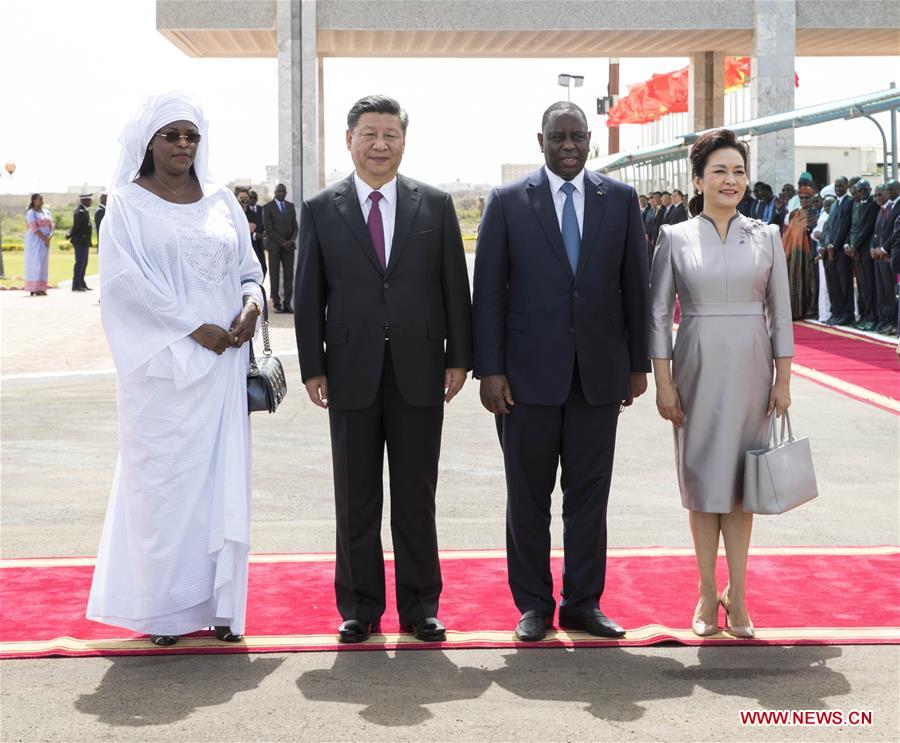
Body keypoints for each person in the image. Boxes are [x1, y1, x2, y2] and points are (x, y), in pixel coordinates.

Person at [86, 91, 264, 647]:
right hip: (161, 376)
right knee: (161, 490)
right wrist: (193, 326)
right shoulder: (127, 205)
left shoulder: (221, 201)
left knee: (220, 485)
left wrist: (252, 306)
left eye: (191, 136)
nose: (184, 145)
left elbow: (248, 268)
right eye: (172, 135)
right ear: (149, 142)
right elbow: (124, 286)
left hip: (223, 369)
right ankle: (163, 612)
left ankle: (220, 608)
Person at [295, 94, 472, 644]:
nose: (379, 144)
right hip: (349, 371)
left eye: (390, 134)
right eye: (369, 134)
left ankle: (421, 607)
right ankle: (360, 607)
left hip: (421, 369)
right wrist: (311, 367)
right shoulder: (322, 209)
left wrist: (459, 357)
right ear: (349, 140)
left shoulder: (435, 205)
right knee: (356, 495)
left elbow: (453, 288)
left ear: (403, 140)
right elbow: (307, 296)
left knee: (417, 495)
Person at [472, 101, 649, 642]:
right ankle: (532, 605)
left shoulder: (618, 199)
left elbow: (635, 287)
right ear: (540, 140)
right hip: (525, 381)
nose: (568, 146)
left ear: (590, 140)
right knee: (527, 496)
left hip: (598, 377)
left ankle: (582, 603)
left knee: (588, 497)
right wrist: (491, 371)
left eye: (577, 136)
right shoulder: (507, 202)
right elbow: (490, 294)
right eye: (558, 137)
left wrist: (637, 364)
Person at [649, 128, 793, 639]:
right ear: (698, 179)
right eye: (719, 171)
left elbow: (781, 314)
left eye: (738, 171)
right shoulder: (674, 236)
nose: (731, 180)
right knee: (703, 485)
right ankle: (707, 594)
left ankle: (740, 595)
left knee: (740, 488)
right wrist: (663, 384)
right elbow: (659, 314)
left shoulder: (767, 235)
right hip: (696, 367)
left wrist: (784, 379)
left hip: (754, 371)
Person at [845, 180, 879, 330]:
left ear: (869, 189)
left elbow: (867, 228)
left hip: (865, 251)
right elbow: (853, 227)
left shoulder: (873, 204)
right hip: (856, 251)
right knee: (861, 286)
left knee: (869, 286)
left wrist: (855, 245)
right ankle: (864, 315)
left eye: (865, 189)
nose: (862, 192)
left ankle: (872, 316)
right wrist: (849, 245)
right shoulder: (856, 204)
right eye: (859, 190)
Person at [781, 185, 818, 319]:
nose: (803, 200)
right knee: (792, 281)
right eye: (801, 198)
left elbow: (812, 232)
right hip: (791, 251)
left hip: (806, 252)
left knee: (805, 281)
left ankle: (805, 310)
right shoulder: (794, 213)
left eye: (806, 198)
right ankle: (793, 310)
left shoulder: (813, 213)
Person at [822, 177, 855, 325]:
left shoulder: (849, 202)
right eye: (836, 186)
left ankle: (847, 314)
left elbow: (844, 227)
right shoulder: (834, 204)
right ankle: (837, 311)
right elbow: (829, 227)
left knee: (844, 284)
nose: (838, 188)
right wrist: (828, 243)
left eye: (841, 185)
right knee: (834, 284)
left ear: (847, 186)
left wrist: (834, 246)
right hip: (831, 250)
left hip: (841, 250)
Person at [263, 183, 299, 313]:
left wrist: (291, 241)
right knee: (274, 276)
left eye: (284, 192)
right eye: (279, 191)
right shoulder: (268, 207)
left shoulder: (290, 206)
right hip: (274, 248)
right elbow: (269, 228)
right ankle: (277, 304)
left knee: (289, 276)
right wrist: (282, 242)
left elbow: (295, 226)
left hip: (289, 247)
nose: (282, 194)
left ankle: (287, 303)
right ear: (275, 192)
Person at [872, 181, 899, 334]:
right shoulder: (886, 207)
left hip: (890, 255)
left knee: (890, 290)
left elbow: (894, 233)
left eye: (890, 189)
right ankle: (885, 320)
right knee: (882, 289)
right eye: (887, 190)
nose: (888, 192)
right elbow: (878, 230)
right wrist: (873, 247)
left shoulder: (898, 206)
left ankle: (893, 322)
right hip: (880, 256)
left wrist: (883, 249)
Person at [812, 194, 836, 322]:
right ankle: (825, 313)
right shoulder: (824, 216)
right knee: (825, 285)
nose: (827, 207)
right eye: (825, 205)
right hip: (823, 254)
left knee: (831, 285)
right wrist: (821, 248)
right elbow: (819, 234)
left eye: (829, 205)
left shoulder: (834, 216)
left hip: (832, 254)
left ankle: (831, 312)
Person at [24, 193, 52, 296]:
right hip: (35, 241)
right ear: (34, 201)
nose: (41, 202)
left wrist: (49, 237)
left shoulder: (46, 212)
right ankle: (34, 288)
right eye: (39, 200)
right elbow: (34, 228)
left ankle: (42, 288)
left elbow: (51, 225)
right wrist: (44, 238)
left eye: (42, 200)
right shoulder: (31, 213)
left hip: (45, 241)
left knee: (43, 264)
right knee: (36, 263)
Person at [237, 187, 267, 278]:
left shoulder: (255, 215)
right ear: (237, 199)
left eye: (246, 198)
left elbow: (259, 228)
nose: (244, 200)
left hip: (256, 250)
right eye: (241, 198)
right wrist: (248, 229)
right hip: (239, 252)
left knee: (262, 270)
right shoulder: (233, 215)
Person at [68, 193, 93, 291]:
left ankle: (82, 283)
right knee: (79, 263)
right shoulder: (80, 212)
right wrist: (70, 234)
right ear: (84, 200)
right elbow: (76, 227)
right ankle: (76, 285)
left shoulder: (84, 211)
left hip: (84, 241)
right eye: (89, 200)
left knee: (84, 263)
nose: (90, 202)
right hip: (80, 241)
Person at [248, 190, 266, 277]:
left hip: (260, 242)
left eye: (254, 198)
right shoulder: (243, 211)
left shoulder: (261, 209)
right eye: (250, 198)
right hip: (250, 243)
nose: (252, 200)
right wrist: (254, 235)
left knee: (263, 267)